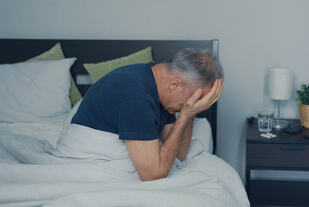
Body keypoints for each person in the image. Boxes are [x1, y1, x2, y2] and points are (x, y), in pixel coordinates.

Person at [70, 48, 224, 181]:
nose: (192, 103)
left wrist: (189, 114)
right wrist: (185, 115)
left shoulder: (161, 89)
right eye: (194, 98)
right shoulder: (137, 96)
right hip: (84, 160)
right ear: (176, 85)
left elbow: (179, 154)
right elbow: (152, 175)